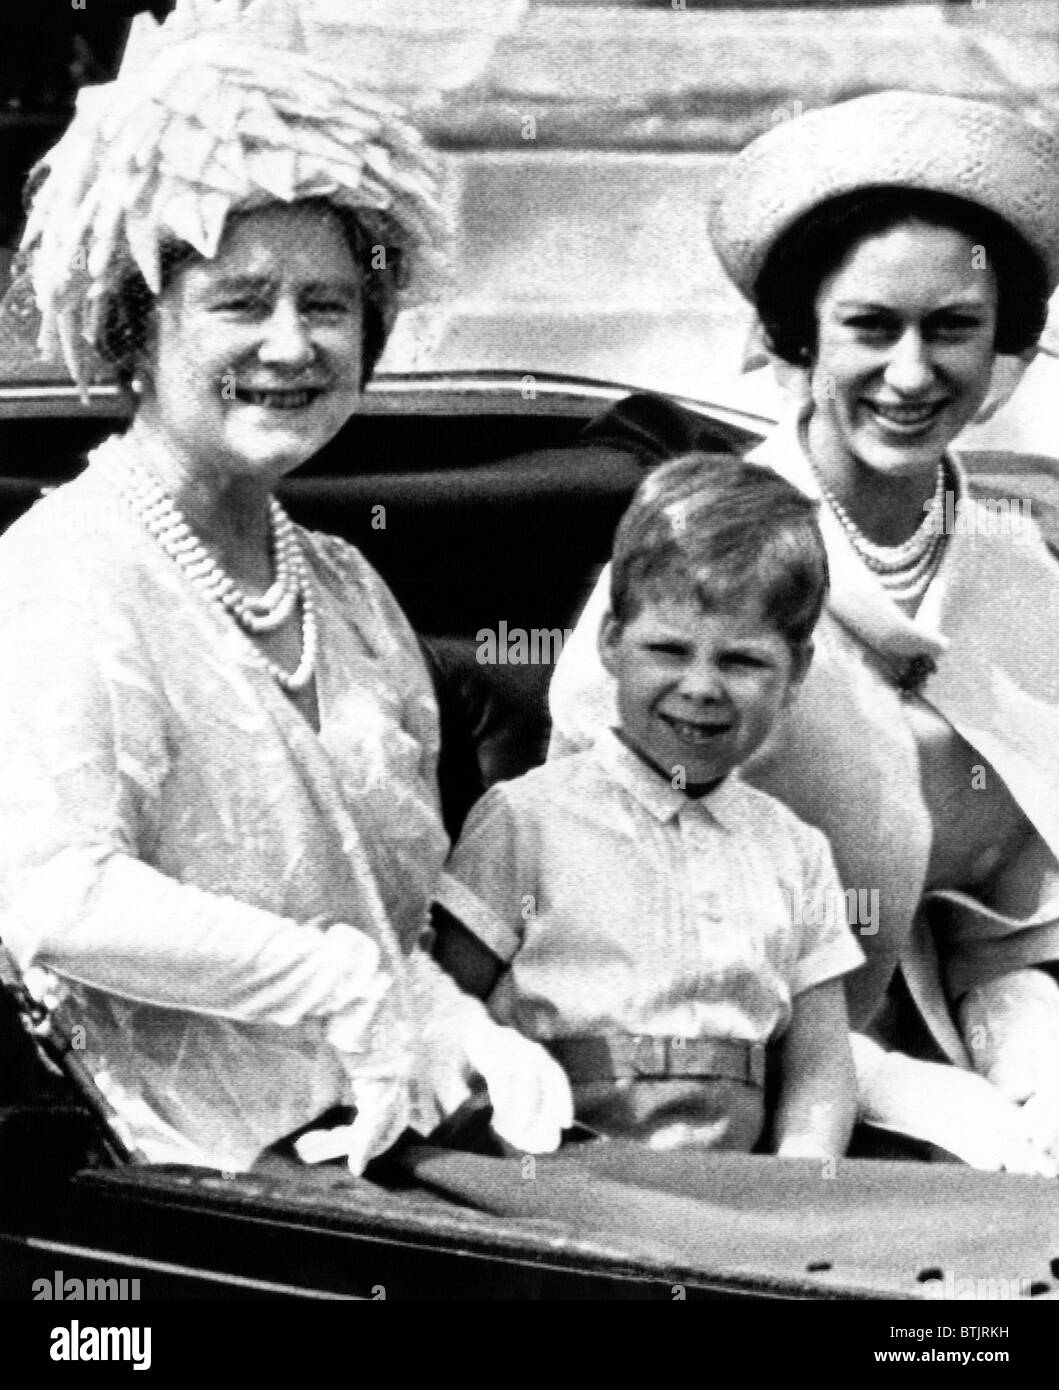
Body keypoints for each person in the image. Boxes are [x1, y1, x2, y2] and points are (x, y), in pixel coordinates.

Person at [0, 0, 572, 1174]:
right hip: (168, 1189)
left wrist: (453, 1020)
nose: (292, 345)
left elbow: (387, 914)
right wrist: (338, 984)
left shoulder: (349, 590)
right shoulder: (67, 575)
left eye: (328, 305)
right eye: (240, 301)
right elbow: (55, 894)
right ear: (135, 329)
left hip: (390, 1156)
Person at [548, 90, 1059, 1173]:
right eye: (871, 328)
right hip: (715, 1102)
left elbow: (1010, 924)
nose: (913, 375)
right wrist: (902, 1089)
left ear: (1003, 345)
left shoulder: (1023, 570)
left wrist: (1032, 1072)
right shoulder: (692, 566)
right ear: (799, 337)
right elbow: (608, 923)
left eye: (953, 329)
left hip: (972, 1074)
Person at [435, 453, 863, 1157]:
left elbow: (819, 1063)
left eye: (741, 661)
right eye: (667, 650)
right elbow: (444, 1006)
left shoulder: (795, 850)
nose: (699, 686)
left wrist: (799, 1186)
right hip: (554, 1176)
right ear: (610, 642)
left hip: (730, 1200)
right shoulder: (526, 820)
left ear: (795, 674)